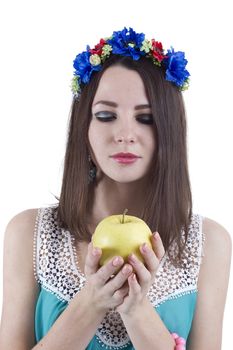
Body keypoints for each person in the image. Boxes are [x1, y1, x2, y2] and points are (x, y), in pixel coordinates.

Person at [0, 27, 231, 350]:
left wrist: (137, 310)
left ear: (170, 130)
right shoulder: (28, 233)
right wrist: (91, 303)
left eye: (146, 118)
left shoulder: (209, 243)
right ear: (84, 127)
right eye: (106, 115)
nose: (124, 134)